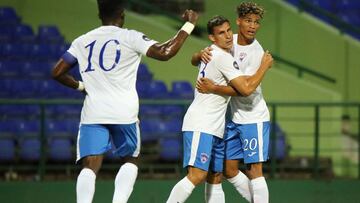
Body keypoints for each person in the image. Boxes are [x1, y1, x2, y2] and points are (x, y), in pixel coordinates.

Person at [51, 0, 198, 202]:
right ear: (122, 14)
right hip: (124, 112)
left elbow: (57, 72)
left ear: (100, 16)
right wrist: (189, 25)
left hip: (93, 112)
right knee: (130, 160)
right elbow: (165, 52)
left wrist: (81, 86)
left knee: (90, 166)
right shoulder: (130, 37)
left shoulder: (82, 41)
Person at [166, 15, 272, 203]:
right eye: (221, 33)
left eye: (228, 31)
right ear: (212, 38)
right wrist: (264, 66)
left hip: (216, 125)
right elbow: (246, 89)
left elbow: (193, 59)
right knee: (197, 175)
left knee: (215, 176)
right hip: (202, 123)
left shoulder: (213, 52)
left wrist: (198, 55)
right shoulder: (223, 57)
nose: (228, 36)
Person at [193, 2, 271, 203]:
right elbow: (197, 59)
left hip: (254, 116)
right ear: (238, 22)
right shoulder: (229, 39)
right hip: (235, 118)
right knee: (229, 169)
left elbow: (245, 90)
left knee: (254, 170)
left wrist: (214, 88)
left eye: (256, 22)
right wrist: (198, 54)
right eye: (248, 21)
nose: (253, 26)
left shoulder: (256, 52)